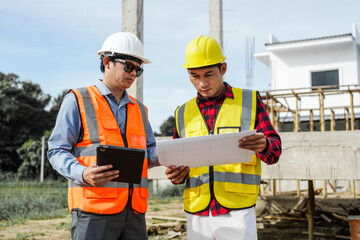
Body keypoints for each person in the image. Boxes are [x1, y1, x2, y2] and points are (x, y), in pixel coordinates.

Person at [165, 35, 282, 240]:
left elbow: (275, 151)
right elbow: (177, 161)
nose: (202, 83)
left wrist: (264, 146)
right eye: (194, 76)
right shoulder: (182, 113)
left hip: (237, 210)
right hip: (197, 212)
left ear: (223, 69)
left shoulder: (249, 101)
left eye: (208, 74)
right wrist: (176, 174)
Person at [47, 32, 159, 240]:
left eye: (138, 69)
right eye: (129, 66)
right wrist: (82, 173)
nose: (133, 73)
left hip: (134, 213)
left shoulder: (140, 110)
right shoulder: (78, 100)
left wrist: (182, 154)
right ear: (107, 62)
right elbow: (56, 150)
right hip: (93, 211)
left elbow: (150, 154)